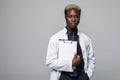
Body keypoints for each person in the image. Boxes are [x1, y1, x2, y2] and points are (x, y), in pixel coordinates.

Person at [46, 4, 95, 80]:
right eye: (70, 16)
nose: (73, 19)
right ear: (65, 18)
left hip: (81, 77)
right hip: (62, 77)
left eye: (76, 16)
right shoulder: (55, 38)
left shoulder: (86, 39)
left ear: (79, 18)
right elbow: (50, 62)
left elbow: (91, 59)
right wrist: (71, 64)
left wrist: (88, 75)